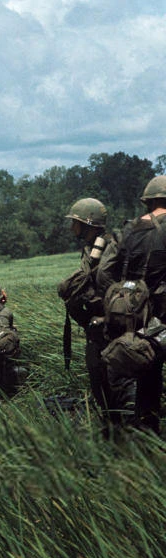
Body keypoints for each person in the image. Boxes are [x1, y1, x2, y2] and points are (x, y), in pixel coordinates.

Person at [95, 175, 166, 433]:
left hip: (132, 316)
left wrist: (124, 297)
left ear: (148, 201)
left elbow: (104, 273)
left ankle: (137, 432)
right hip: (163, 316)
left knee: (141, 372)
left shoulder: (127, 230)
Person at [57, 197, 115, 413]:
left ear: (88, 223)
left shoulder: (108, 248)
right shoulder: (91, 248)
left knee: (111, 383)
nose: (72, 227)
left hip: (108, 325)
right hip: (95, 327)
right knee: (99, 383)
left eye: (76, 222)